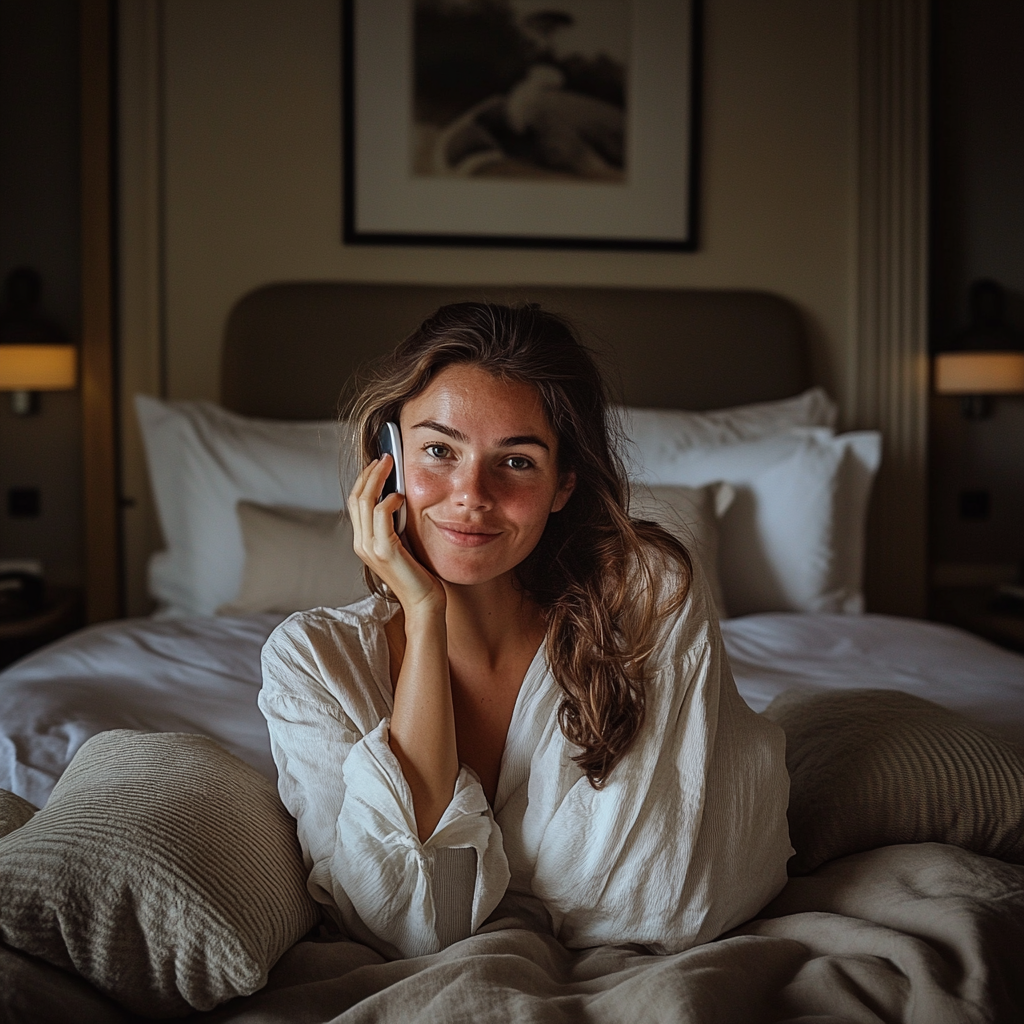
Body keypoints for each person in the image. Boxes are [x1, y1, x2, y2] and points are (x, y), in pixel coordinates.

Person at [259, 302, 791, 960]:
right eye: (438, 451)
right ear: (388, 459)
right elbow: (404, 925)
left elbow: (667, 898)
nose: (471, 494)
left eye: (515, 462)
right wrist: (425, 617)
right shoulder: (312, 660)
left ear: (564, 483)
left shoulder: (647, 601)